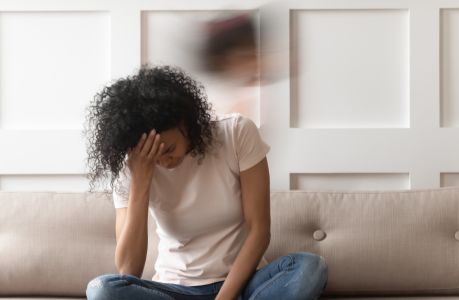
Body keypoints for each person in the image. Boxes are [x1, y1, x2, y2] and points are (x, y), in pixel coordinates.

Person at [84, 65, 328, 300]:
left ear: (185, 123)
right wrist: (141, 180)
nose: (164, 161)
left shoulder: (236, 133)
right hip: (174, 288)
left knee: (310, 268)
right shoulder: (133, 167)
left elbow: (260, 231)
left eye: (168, 148)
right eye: (153, 158)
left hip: (243, 284)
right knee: (101, 290)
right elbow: (128, 270)